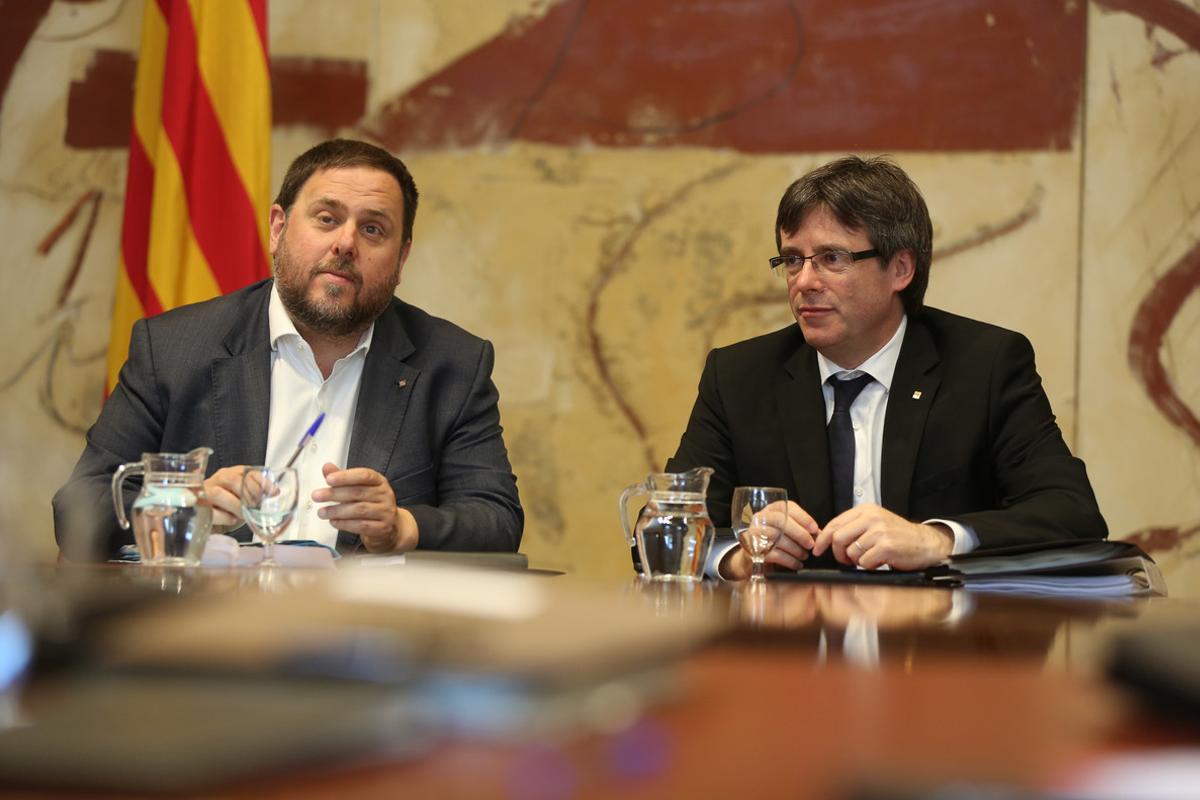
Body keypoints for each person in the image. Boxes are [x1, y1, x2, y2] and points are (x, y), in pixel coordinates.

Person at [54, 139, 522, 559]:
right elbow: (78, 507)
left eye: (373, 230)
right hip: (207, 635)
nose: (345, 243)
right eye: (327, 218)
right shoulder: (174, 348)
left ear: (401, 260)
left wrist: (403, 526)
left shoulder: (452, 364)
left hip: (366, 640)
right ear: (278, 228)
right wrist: (186, 507)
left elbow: (496, 517)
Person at [664, 155, 1106, 580]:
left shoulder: (985, 366)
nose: (804, 282)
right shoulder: (740, 375)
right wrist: (739, 559)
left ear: (900, 268)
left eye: (832, 258)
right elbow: (664, 525)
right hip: (792, 646)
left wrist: (935, 540)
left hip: (942, 643)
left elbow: (1071, 512)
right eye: (793, 259)